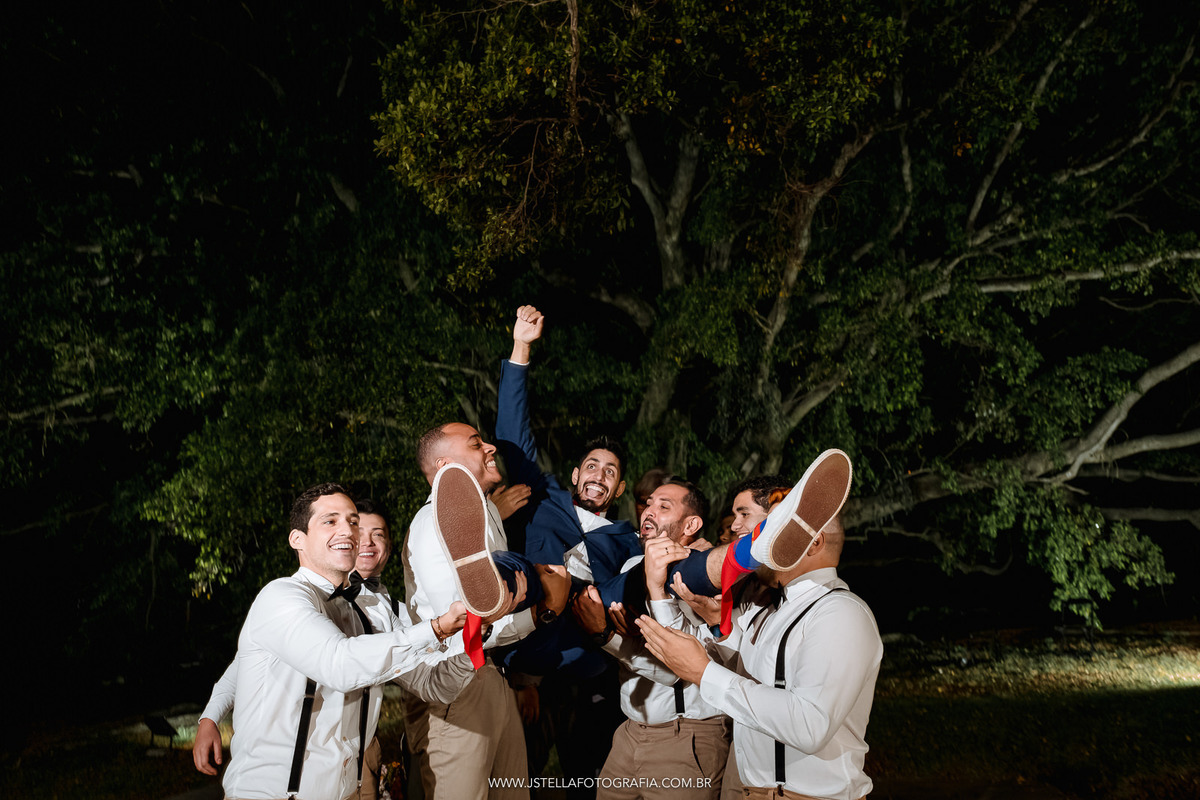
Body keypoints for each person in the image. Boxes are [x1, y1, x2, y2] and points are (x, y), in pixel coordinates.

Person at [194, 483, 509, 800]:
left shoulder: (377, 612)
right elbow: (339, 665)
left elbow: (433, 685)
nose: (349, 531)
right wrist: (210, 715)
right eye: (330, 521)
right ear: (297, 539)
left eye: (353, 522)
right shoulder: (281, 597)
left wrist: (475, 638)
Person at [636, 451, 883, 800]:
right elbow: (748, 668)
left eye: (776, 532)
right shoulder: (771, 611)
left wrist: (705, 673)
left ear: (812, 542)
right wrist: (680, 608)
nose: (743, 532)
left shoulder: (841, 613)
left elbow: (809, 725)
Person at [402, 423, 573, 800]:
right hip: (456, 680)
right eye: (476, 443)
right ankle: (519, 580)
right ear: (446, 465)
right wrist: (543, 609)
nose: (490, 447)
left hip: (494, 674)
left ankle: (518, 581)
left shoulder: (485, 516)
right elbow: (462, 625)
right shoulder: (432, 522)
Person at [572, 478, 732, 800]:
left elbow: (677, 669)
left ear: (692, 524)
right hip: (630, 730)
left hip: (684, 737)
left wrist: (607, 636)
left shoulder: (703, 573)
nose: (649, 511)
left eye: (663, 506)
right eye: (648, 504)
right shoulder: (633, 565)